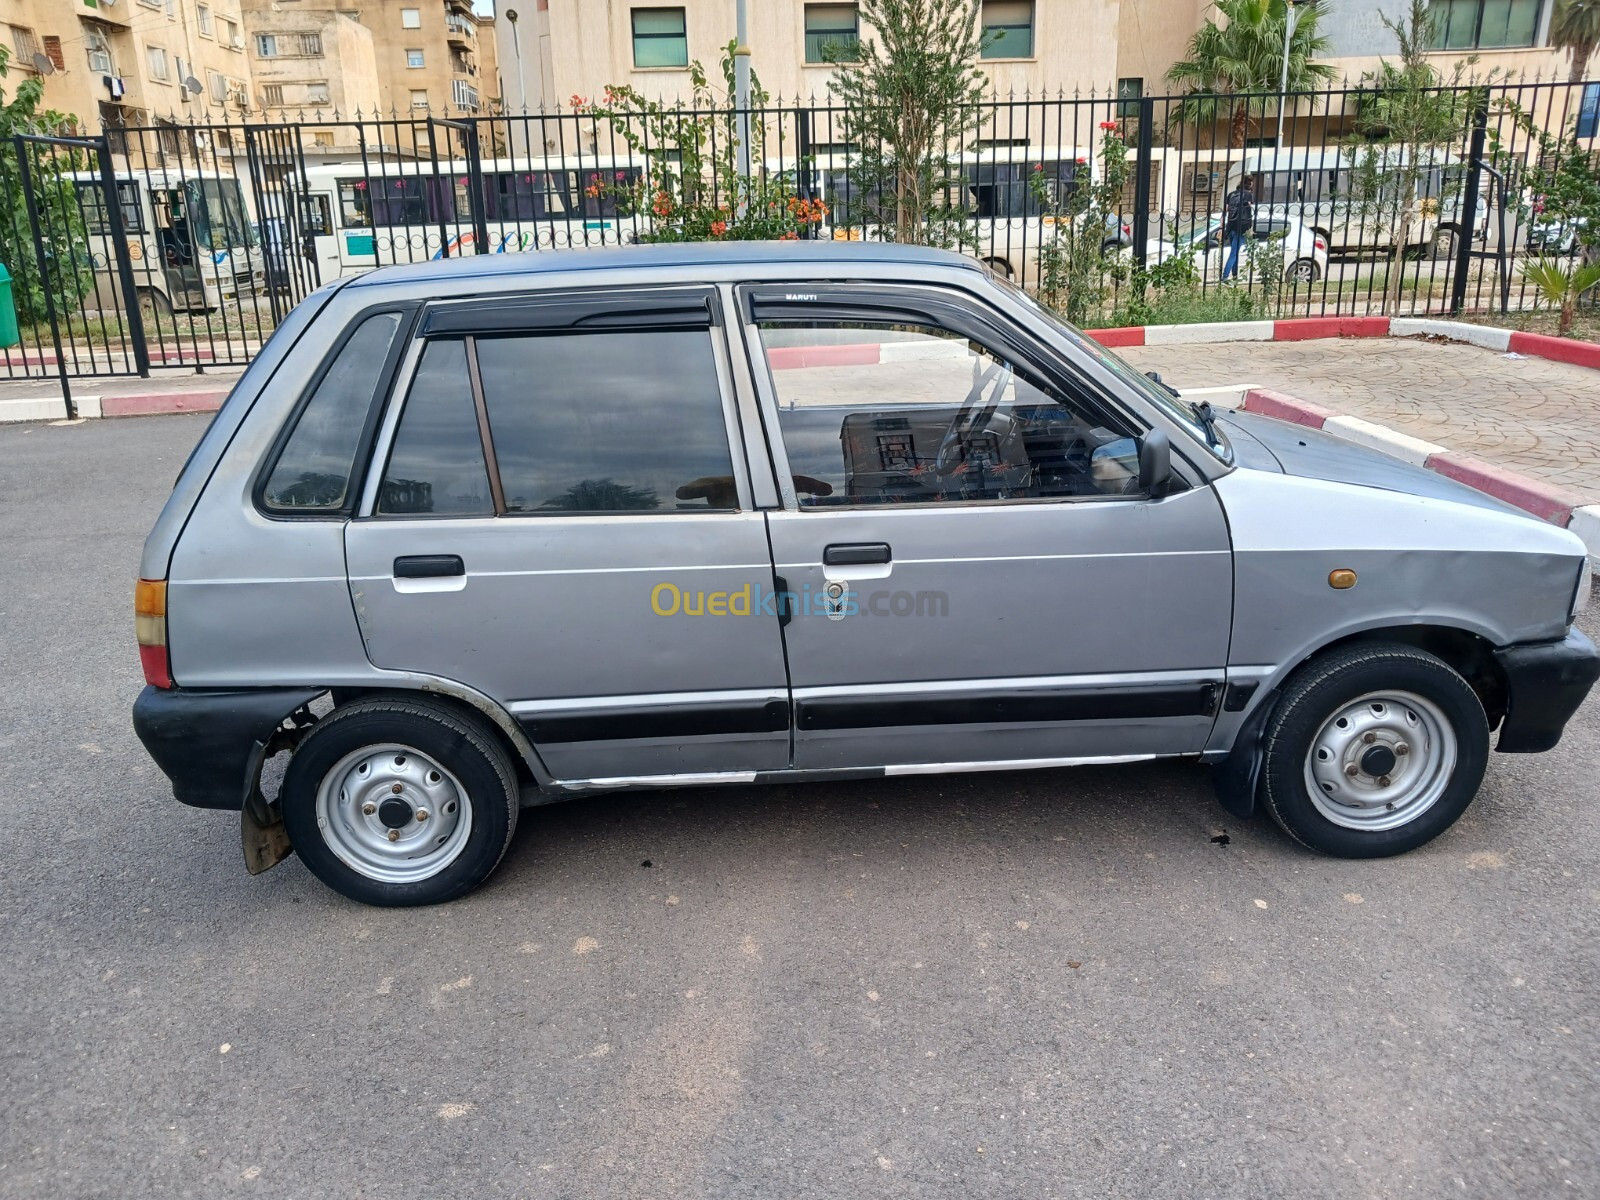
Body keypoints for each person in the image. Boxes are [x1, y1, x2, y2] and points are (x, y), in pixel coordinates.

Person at [1221, 175, 1255, 281]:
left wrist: (1221, 228)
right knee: (1234, 253)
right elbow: (1248, 211)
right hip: (1241, 227)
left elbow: (1225, 211)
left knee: (1234, 251)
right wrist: (1250, 227)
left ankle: (1235, 275)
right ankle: (1225, 276)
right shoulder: (1248, 194)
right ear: (1249, 183)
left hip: (1230, 226)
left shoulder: (1231, 194)